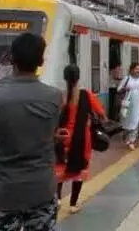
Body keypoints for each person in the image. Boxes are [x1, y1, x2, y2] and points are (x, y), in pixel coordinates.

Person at [0, 33, 62, 231]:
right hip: (41, 188)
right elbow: (51, 134)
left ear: (11, 59)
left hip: (4, 191)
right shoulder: (55, 97)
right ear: (41, 61)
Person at [55, 64, 107, 214]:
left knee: (60, 168)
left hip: (62, 137)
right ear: (78, 78)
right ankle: (73, 205)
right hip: (81, 139)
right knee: (79, 170)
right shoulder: (86, 95)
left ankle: (57, 200)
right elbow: (102, 114)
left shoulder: (61, 96)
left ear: (65, 78)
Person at [118, 63, 139, 150]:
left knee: (136, 122)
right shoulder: (127, 78)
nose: (138, 70)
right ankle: (126, 135)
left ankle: (132, 141)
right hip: (128, 105)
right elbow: (118, 89)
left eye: (138, 69)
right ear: (131, 69)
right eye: (136, 69)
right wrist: (125, 89)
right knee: (127, 123)